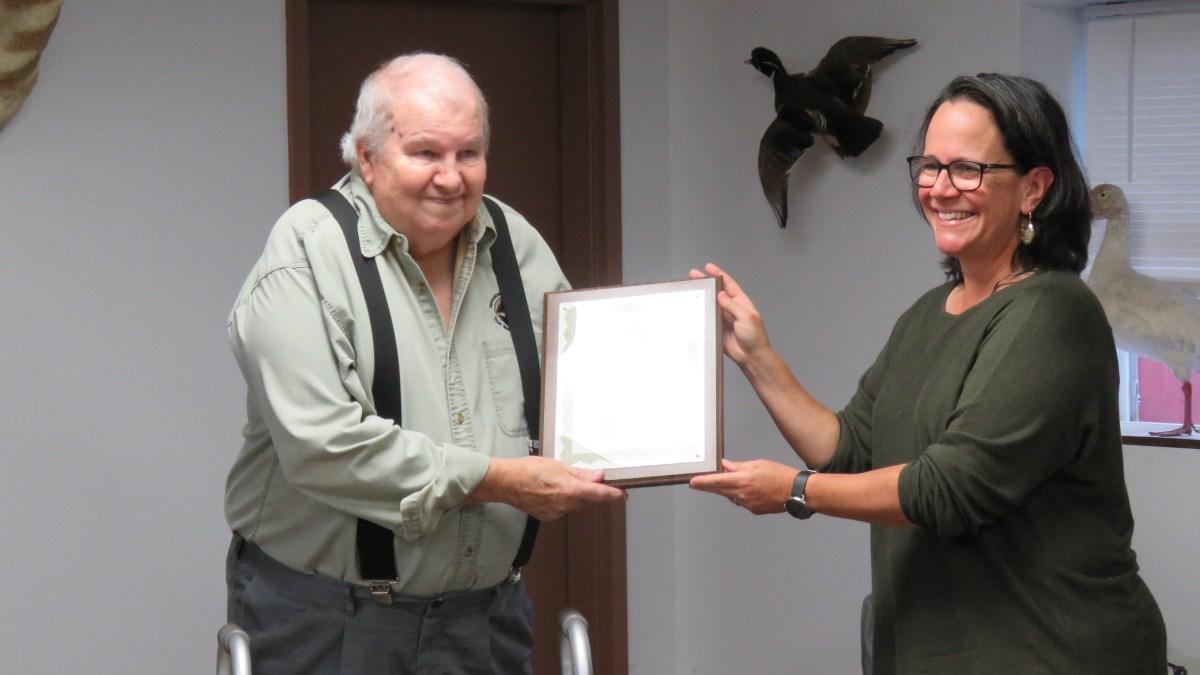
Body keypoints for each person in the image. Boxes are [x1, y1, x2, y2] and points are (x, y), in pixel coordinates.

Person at [689, 74, 1168, 672]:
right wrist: (755, 356)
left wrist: (793, 492)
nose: (941, 189)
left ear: (1033, 188)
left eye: (968, 169)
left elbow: (950, 488)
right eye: (930, 167)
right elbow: (846, 449)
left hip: (1050, 652)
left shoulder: (1054, 312)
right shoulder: (927, 313)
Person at [224, 52, 627, 674]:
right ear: (366, 156)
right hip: (331, 624)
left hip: (484, 623)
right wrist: (498, 480)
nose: (451, 177)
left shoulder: (513, 243)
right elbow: (325, 447)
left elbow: (585, 378)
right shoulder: (306, 253)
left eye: (468, 153)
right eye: (425, 153)